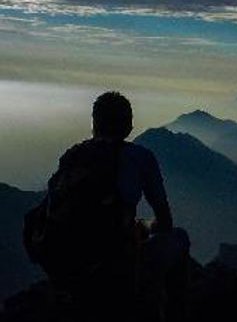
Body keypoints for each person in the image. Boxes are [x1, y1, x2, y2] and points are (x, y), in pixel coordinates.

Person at [26, 91, 190, 320]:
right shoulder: (140, 158)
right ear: (128, 126)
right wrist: (144, 228)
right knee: (180, 238)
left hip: (67, 270)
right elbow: (165, 221)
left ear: (94, 124)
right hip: (115, 270)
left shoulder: (72, 157)